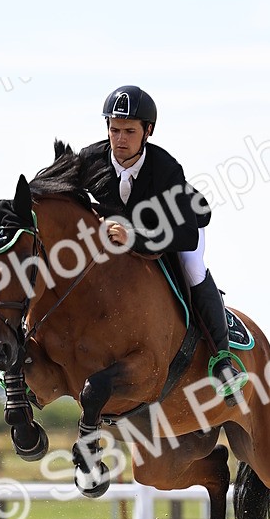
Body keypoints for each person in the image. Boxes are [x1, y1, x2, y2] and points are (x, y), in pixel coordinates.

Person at [78, 85, 247, 401]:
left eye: (130, 131)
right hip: (120, 231)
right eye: (114, 130)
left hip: (178, 226)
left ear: (148, 131)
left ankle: (223, 361)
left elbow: (186, 236)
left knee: (192, 266)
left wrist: (134, 237)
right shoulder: (88, 160)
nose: (120, 139)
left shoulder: (166, 169)